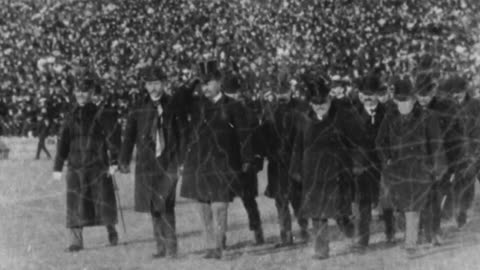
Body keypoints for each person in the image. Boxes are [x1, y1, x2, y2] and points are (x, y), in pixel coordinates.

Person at [180, 60, 253, 259]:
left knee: (220, 206)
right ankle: (210, 245)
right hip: (199, 163)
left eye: (209, 82)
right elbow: (174, 106)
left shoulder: (233, 106)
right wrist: (189, 84)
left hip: (223, 164)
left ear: (219, 81)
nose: (206, 87)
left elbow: (244, 134)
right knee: (203, 208)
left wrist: (247, 158)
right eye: (202, 83)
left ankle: (219, 244)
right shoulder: (195, 105)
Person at [289, 71, 357, 260]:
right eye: (316, 104)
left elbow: (352, 142)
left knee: (338, 208)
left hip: (336, 171)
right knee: (317, 213)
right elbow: (298, 145)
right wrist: (295, 169)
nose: (320, 108)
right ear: (311, 103)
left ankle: (346, 223)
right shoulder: (304, 120)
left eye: (323, 103)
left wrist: (352, 164)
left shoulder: (340, 117)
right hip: (312, 173)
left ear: (329, 100)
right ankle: (321, 249)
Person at [119, 66, 185, 258]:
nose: (153, 88)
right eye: (149, 84)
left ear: (164, 83)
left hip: (168, 162)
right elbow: (129, 136)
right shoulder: (138, 107)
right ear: (145, 86)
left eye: (156, 83)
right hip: (146, 164)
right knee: (153, 207)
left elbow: (183, 133)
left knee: (167, 206)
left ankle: (172, 249)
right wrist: (123, 159)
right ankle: (160, 248)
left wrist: (182, 160)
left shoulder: (174, 104)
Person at [376, 77, 446, 254]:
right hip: (398, 169)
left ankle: (411, 242)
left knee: (417, 205)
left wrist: (436, 167)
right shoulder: (390, 117)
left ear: (413, 100)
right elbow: (380, 142)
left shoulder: (427, 117)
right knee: (403, 205)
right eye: (399, 101)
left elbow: (436, 144)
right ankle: (418, 233)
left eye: (406, 100)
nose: (402, 105)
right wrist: (387, 160)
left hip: (421, 168)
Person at [52, 77, 120, 252]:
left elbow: (111, 139)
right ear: (75, 93)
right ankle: (76, 242)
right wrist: (58, 166)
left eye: (85, 92)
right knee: (75, 205)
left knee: (103, 202)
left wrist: (114, 162)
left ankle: (112, 231)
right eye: (78, 91)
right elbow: (63, 142)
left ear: (91, 94)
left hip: (98, 166)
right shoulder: (70, 116)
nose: (81, 95)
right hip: (75, 167)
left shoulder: (101, 114)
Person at [261, 71, 310, 247]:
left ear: (291, 91)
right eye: (279, 92)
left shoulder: (301, 108)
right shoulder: (269, 110)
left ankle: (304, 228)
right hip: (277, 163)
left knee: (297, 199)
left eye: (285, 91)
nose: (282, 95)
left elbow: (306, 135)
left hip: (295, 162)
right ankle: (286, 236)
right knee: (281, 201)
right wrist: (269, 152)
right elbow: (264, 136)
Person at [414, 73, 464, 243]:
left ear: (433, 92)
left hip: (440, 160)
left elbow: (456, 137)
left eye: (426, 95)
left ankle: (434, 232)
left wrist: (452, 164)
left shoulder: (447, 107)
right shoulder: (410, 108)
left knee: (435, 198)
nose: (422, 99)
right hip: (417, 161)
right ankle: (421, 231)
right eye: (419, 95)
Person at [350, 73, 394, 250]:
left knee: (387, 202)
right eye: (364, 94)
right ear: (360, 95)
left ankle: (390, 231)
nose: (368, 98)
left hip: (383, 165)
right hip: (362, 166)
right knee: (362, 203)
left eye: (371, 94)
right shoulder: (353, 114)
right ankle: (362, 240)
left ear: (378, 94)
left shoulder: (389, 113)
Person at [223, 73, 265, 245]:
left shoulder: (245, 112)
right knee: (240, 201)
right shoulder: (241, 111)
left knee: (237, 201)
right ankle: (256, 232)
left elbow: (257, 138)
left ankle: (256, 232)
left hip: (239, 164)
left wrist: (256, 160)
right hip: (236, 164)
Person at [442, 75, 480, 228]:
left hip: (477, 148)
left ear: (465, 90)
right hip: (460, 154)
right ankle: (461, 214)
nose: (456, 95)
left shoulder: (476, 104)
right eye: (452, 93)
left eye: (459, 92)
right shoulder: (447, 108)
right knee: (464, 185)